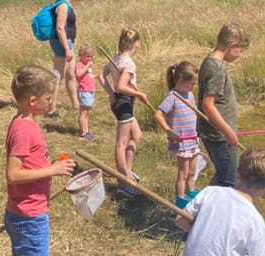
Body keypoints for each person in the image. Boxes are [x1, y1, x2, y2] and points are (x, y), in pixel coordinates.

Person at [5, 65, 76, 256]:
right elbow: (13, 174)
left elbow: (30, 162)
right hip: (29, 217)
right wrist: (52, 170)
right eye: (48, 98)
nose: (51, 102)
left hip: (27, 213)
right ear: (33, 101)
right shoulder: (23, 130)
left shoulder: (26, 123)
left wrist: (53, 165)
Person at [175, 147, 265, 256]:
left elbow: (180, 220)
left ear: (237, 174)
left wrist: (205, 229)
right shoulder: (256, 221)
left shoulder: (210, 192)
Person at [197, 22, 250, 188]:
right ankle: (216, 213)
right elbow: (208, 105)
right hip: (219, 136)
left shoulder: (209, 61)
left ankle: (199, 210)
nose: (239, 55)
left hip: (216, 133)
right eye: (240, 51)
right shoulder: (216, 68)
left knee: (222, 175)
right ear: (232, 45)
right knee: (229, 181)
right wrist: (228, 132)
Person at [98, 27, 148, 197]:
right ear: (136, 44)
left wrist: (111, 94)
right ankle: (123, 183)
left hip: (120, 101)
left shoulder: (116, 58)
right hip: (124, 102)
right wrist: (138, 93)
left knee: (137, 135)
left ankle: (127, 170)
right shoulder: (128, 63)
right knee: (121, 143)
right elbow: (121, 86)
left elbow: (101, 75)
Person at [153, 61, 200, 209]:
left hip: (192, 139)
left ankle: (191, 192)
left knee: (193, 171)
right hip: (181, 143)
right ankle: (180, 199)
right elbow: (158, 115)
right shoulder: (173, 97)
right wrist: (170, 132)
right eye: (191, 83)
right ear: (180, 80)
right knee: (183, 173)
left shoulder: (190, 94)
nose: (193, 86)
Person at [46, 0, 86, 119]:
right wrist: (67, 49)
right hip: (62, 44)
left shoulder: (66, 4)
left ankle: (76, 104)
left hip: (67, 43)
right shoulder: (63, 5)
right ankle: (51, 110)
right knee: (57, 77)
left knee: (70, 74)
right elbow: (60, 28)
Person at [74, 44, 96, 141]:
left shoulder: (87, 65)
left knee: (87, 112)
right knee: (83, 112)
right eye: (87, 56)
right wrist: (87, 66)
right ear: (81, 55)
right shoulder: (80, 65)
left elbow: (88, 76)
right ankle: (83, 133)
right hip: (84, 91)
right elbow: (78, 74)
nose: (89, 58)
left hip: (89, 90)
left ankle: (86, 131)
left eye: (91, 56)